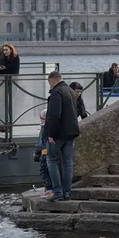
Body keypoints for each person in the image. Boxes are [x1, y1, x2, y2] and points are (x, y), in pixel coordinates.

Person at [45, 71, 80, 202]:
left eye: (50, 84)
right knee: (67, 162)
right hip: (71, 132)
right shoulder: (71, 91)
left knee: (51, 160)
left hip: (58, 133)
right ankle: (67, 193)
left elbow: (54, 115)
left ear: (53, 81)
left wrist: (51, 134)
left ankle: (58, 192)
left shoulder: (56, 92)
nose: (50, 86)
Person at [33, 108, 53, 198]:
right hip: (52, 152)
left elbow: (41, 143)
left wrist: (36, 152)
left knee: (44, 171)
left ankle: (49, 190)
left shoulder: (44, 128)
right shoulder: (53, 126)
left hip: (44, 153)